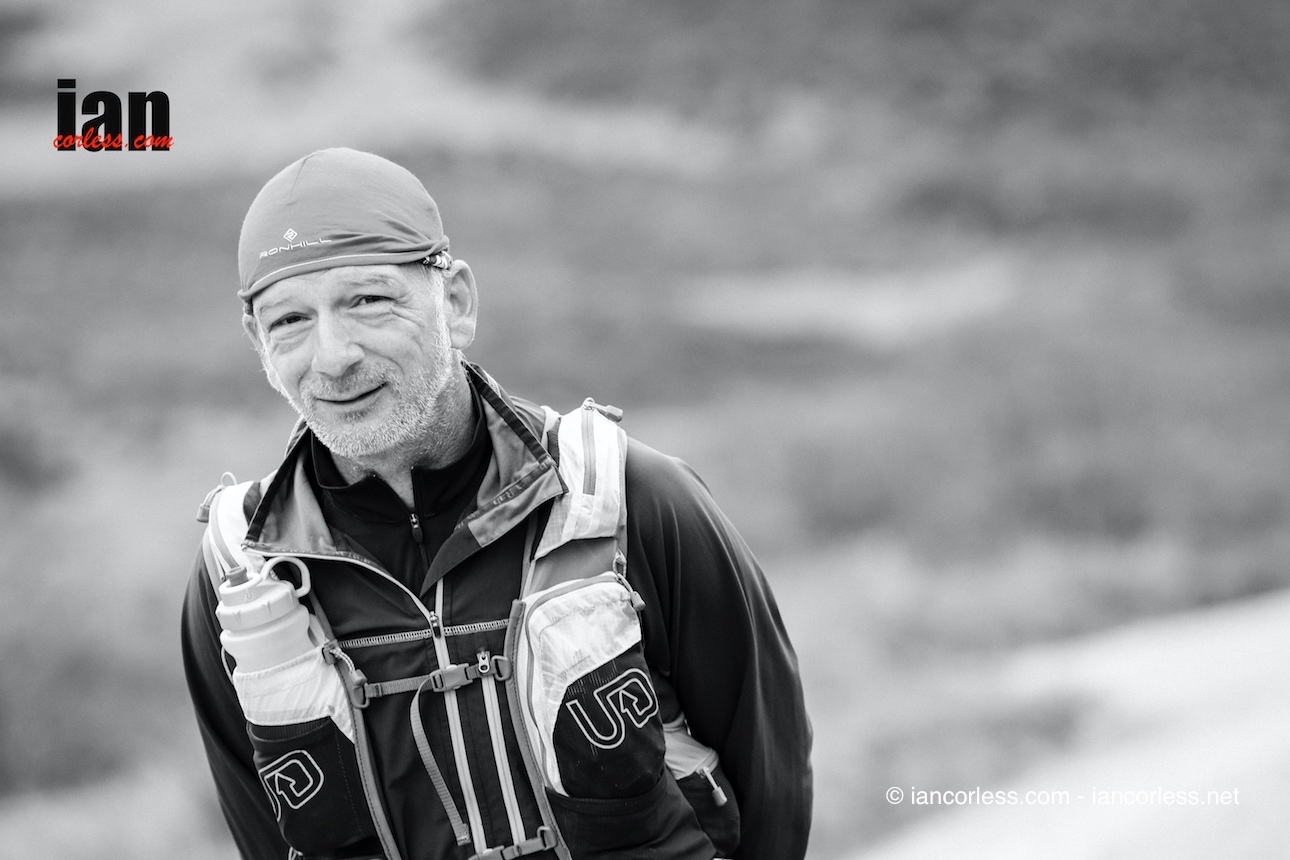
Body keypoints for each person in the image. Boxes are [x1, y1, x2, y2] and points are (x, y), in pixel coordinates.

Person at [181, 147, 812, 860]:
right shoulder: (241, 570)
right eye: (290, 320)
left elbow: (772, 789)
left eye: (368, 301)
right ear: (258, 343)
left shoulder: (633, 498)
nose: (333, 357)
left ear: (455, 301)